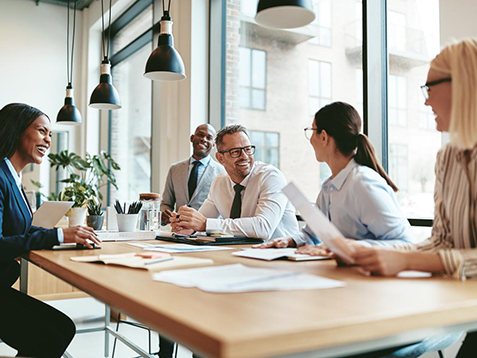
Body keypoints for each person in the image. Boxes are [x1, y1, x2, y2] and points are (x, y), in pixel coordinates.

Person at [350, 38, 477, 357]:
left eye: (429, 89)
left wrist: (405, 259)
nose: (426, 103)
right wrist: (368, 253)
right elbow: (442, 242)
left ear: (461, 83)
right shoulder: (448, 158)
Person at [0, 103, 101, 358]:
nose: (48, 140)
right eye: (42, 131)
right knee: (54, 333)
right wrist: (58, 235)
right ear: (17, 130)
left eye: (51, 135)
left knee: (60, 329)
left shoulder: (12, 177)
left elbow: (18, 226)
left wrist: (65, 236)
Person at [257, 101, 413, 252]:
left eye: (312, 131)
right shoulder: (329, 187)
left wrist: (351, 247)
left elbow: (405, 243)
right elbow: (313, 234)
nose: (310, 140)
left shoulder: (363, 184)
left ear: (324, 137)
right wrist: (289, 241)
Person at [170, 124, 299, 240]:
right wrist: (187, 225)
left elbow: (263, 227)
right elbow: (200, 220)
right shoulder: (220, 182)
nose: (245, 156)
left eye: (248, 149)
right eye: (236, 152)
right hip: (241, 253)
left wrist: (205, 224)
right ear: (220, 158)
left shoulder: (271, 177)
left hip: (279, 256)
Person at [160, 124, 224, 224]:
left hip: (205, 235)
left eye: (209, 138)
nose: (204, 139)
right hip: (178, 232)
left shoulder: (222, 172)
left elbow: (223, 209)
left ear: (214, 144)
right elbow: (166, 203)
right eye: (200, 135)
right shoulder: (175, 169)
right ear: (192, 138)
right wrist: (163, 214)